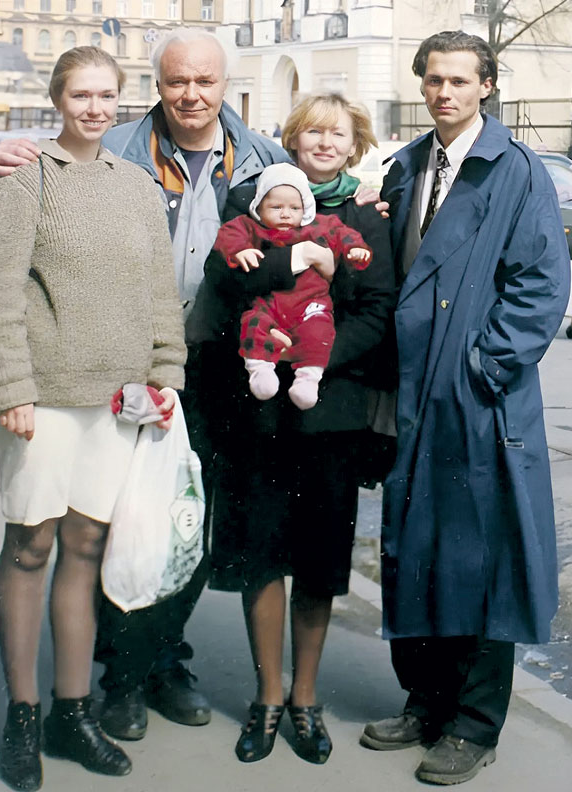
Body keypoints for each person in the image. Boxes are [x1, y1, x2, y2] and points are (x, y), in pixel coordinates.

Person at [0, 27, 291, 742]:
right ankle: (107, 684)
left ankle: (151, 667)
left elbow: (307, 210)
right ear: (155, 87)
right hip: (84, 379)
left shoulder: (259, 159)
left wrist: (364, 203)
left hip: (198, 368)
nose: (192, 94)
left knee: (170, 523)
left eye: (205, 81)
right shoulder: (98, 156)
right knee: (69, 536)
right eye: (177, 80)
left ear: (224, 86)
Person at [359, 30, 570, 786]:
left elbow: (541, 284)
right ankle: (426, 702)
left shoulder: (516, 170)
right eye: (433, 80)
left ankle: (474, 725)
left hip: (476, 399)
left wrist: (484, 367)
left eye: (458, 80)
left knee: (480, 559)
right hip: (414, 394)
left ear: (486, 86)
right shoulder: (408, 165)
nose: (444, 92)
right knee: (417, 550)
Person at [0, 46, 186, 792]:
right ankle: (24, 716)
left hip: (117, 402)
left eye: (105, 96)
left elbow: (159, 292)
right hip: (39, 401)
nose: (94, 109)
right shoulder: (22, 180)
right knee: (30, 544)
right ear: (58, 99)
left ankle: (73, 712)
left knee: (87, 545)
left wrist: (166, 375)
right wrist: (10, 387)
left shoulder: (137, 185)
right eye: (80, 96)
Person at [201, 92, 397, 764]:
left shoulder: (365, 216)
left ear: (355, 144)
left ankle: (305, 698)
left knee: (317, 561)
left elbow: (377, 310)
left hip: (330, 412)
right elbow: (223, 282)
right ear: (292, 138)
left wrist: (315, 357)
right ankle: (267, 696)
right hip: (258, 413)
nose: (324, 143)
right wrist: (298, 267)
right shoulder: (251, 204)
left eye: (337, 134)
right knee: (260, 556)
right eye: (312, 131)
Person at [214, 162, 372, 409]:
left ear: (305, 208)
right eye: (276, 207)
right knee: (254, 323)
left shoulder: (320, 225)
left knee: (319, 331)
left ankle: (308, 379)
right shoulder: (251, 226)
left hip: (310, 303)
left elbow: (344, 234)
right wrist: (240, 250)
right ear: (259, 207)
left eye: (294, 208)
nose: (286, 214)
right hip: (268, 302)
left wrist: (355, 249)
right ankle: (260, 370)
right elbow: (228, 234)